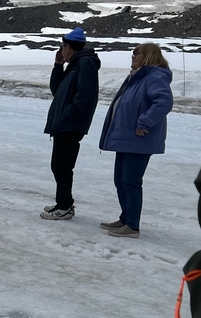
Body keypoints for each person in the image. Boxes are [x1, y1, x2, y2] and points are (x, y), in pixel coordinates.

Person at [97, 42, 173, 238]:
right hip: (125, 138)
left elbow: (164, 102)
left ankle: (132, 225)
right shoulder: (137, 77)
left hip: (139, 140)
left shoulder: (155, 77)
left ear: (148, 56)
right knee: (120, 181)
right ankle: (125, 218)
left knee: (130, 182)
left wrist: (144, 122)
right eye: (132, 54)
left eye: (137, 54)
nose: (133, 57)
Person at [40, 27, 100, 221]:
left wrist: (69, 114)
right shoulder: (74, 64)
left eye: (62, 46)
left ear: (68, 47)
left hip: (70, 124)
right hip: (65, 123)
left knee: (62, 166)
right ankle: (63, 203)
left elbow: (85, 95)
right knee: (58, 165)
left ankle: (65, 206)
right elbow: (57, 90)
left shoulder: (85, 63)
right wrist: (58, 66)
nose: (61, 50)